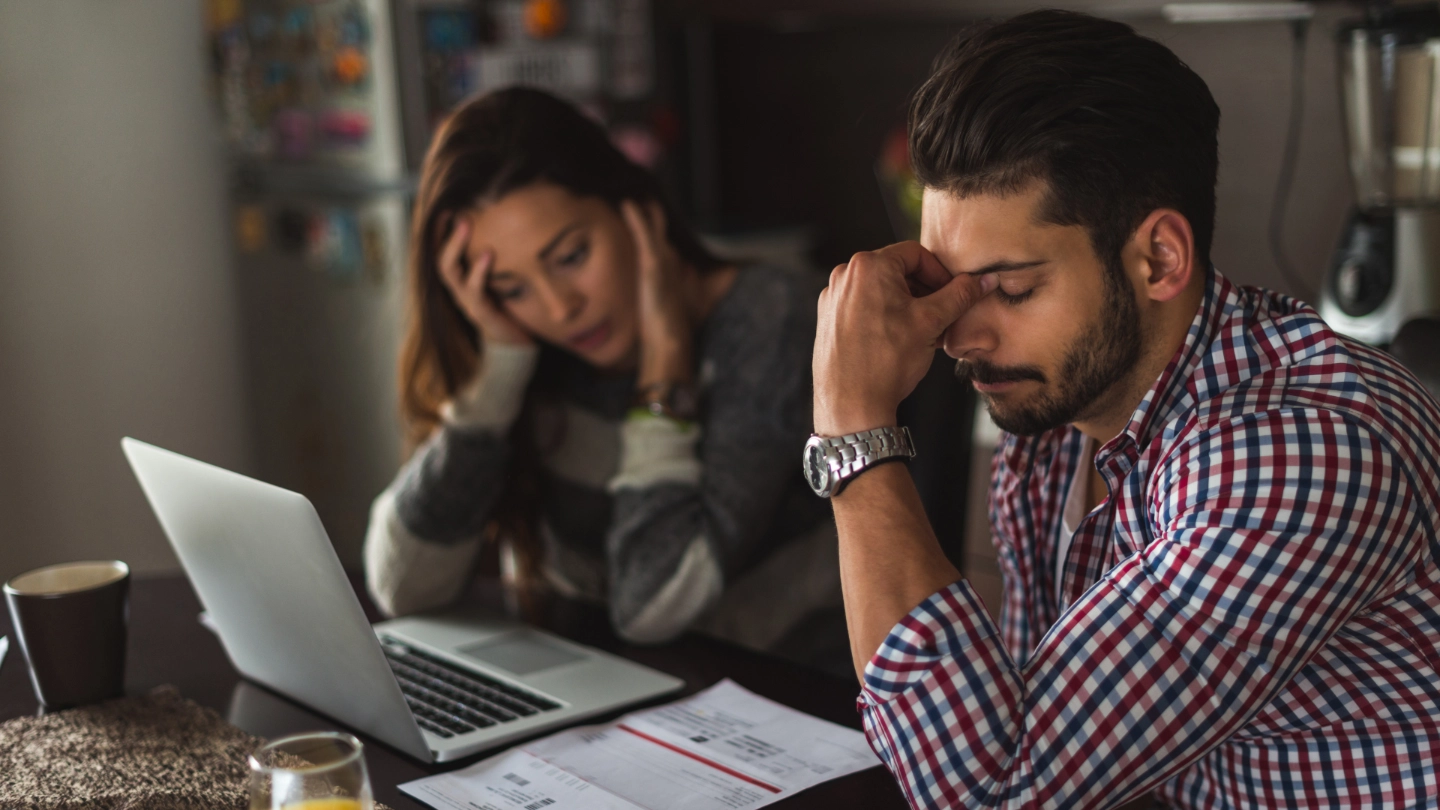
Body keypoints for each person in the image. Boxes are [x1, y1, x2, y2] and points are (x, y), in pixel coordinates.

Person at [808, 10, 1440, 808]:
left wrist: (854, 429)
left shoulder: (1298, 451)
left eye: (1009, 288)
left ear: (1159, 259)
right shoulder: (1049, 423)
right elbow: (1031, 731)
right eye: (947, 286)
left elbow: (997, 788)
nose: (961, 335)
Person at [365, 88, 839, 662]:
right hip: (601, 696)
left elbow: (651, 606)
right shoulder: (532, 350)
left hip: (774, 703)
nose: (559, 308)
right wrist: (497, 378)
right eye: (511, 288)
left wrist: (666, 365)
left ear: (634, 206)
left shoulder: (770, 320)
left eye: (570, 256)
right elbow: (402, 587)